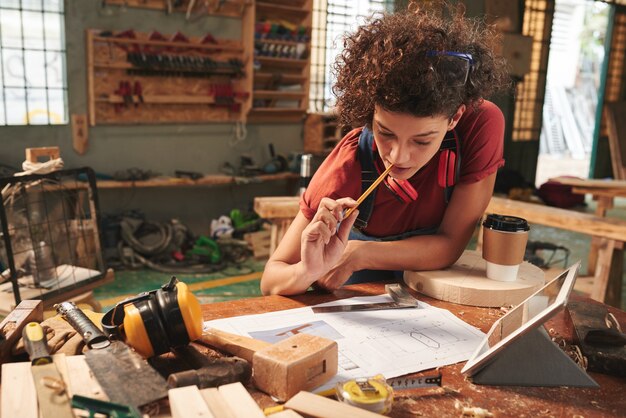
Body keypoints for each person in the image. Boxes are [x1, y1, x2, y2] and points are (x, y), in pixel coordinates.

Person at [261, 3, 510, 295]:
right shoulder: (350, 166)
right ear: (370, 113)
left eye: (422, 140)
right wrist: (308, 270)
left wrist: (359, 253)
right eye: (385, 132)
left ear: (454, 117)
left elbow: (450, 242)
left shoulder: (480, 125)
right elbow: (271, 281)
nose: (397, 156)